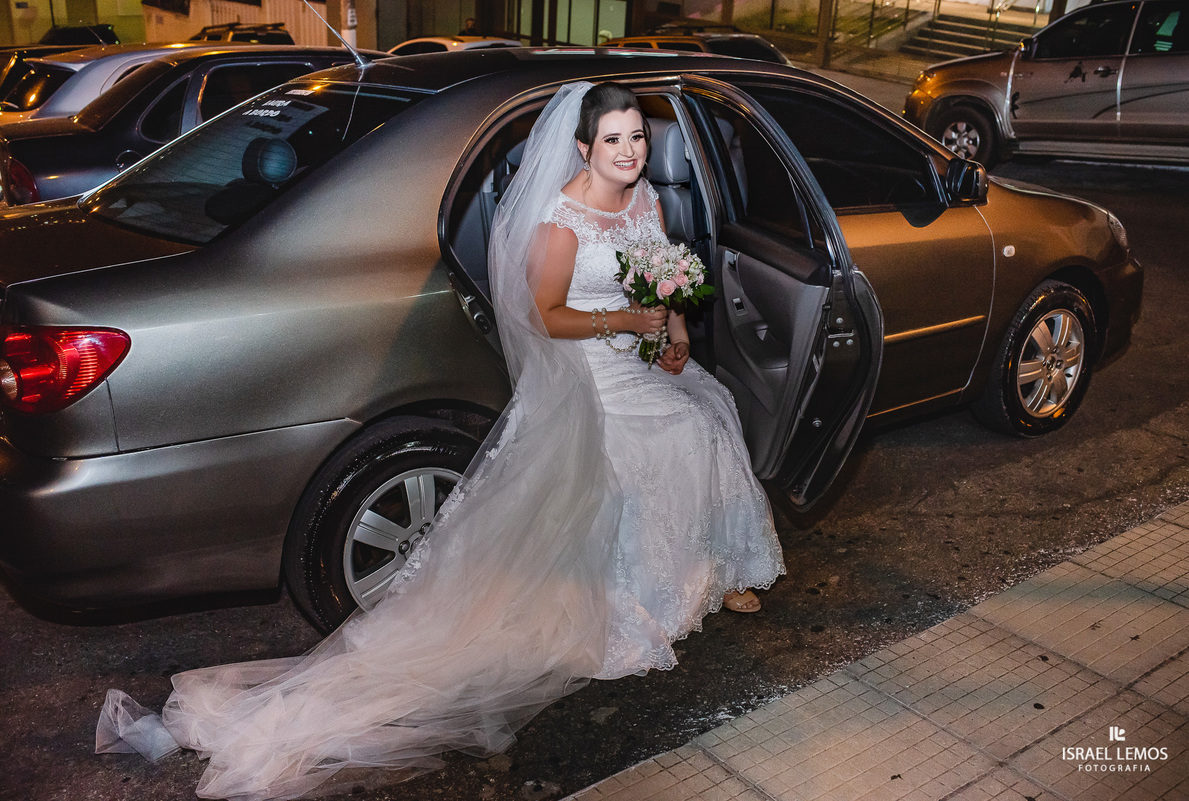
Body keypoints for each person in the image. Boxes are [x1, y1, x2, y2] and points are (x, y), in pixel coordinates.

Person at [96, 81, 784, 801]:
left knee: (708, 403)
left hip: (636, 352)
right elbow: (546, 315)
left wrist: (670, 328)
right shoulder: (562, 221)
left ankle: (705, 569)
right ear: (583, 147)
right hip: (590, 368)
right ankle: (643, 591)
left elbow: (660, 280)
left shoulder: (649, 202)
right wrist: (628, 328)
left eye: (638, 137)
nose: (630, 150)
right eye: (613, 139)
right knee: (673, 429)